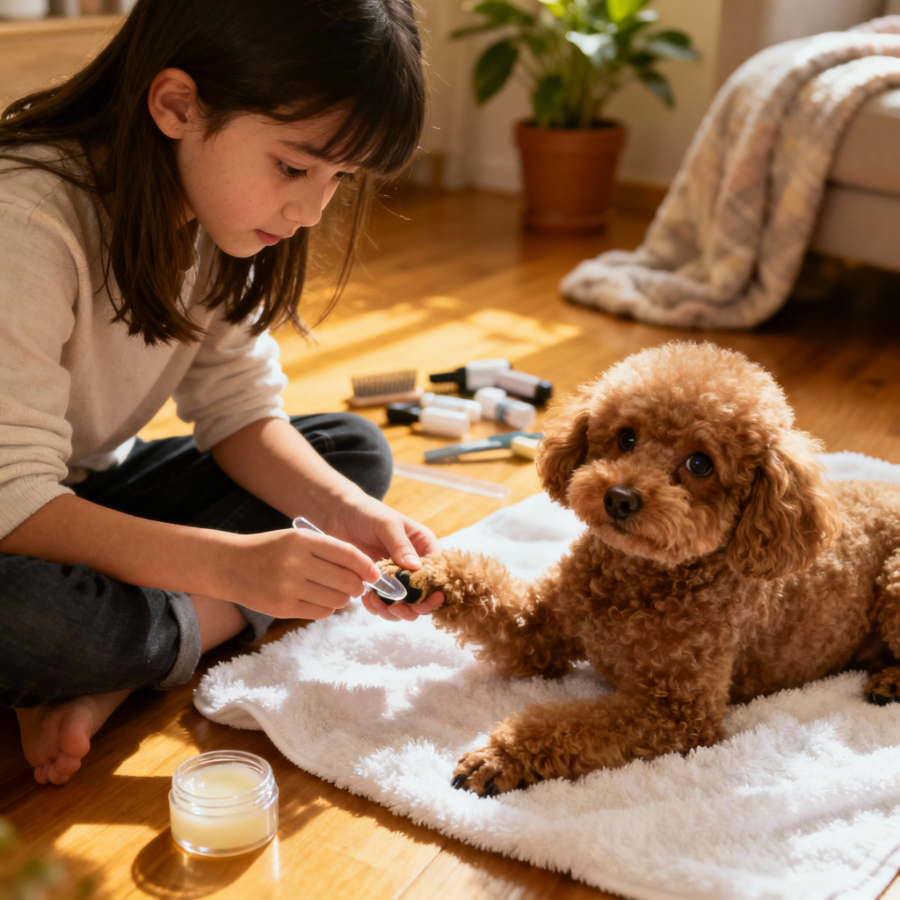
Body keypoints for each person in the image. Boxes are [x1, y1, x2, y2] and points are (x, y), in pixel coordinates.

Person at [0, 0, 442, 787]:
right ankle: (143, 649)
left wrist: (347, 513)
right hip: (17, 509)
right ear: (178, 105)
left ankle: (114, 667)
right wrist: (234, 572)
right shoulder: (25, 221)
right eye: (294, 167)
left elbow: (239, 409)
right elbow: (12, 496)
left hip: (74, 487)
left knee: (351, 453)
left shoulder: (210, 208)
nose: (311, 211)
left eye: (340, 177)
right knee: (28, 618)